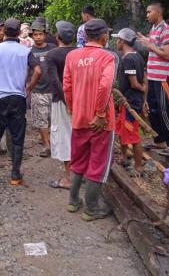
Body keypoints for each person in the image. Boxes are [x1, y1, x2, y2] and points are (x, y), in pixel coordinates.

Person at [63, 18, 118, 221]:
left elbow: (66, 86)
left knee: (78, 160)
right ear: (104, 36)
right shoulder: (107, 57)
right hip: (101, 122)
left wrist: (72, 108)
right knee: (98, 164)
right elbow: (105, 86)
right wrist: (101, 114)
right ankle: (92, 208)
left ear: (85, 36)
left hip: (79, 117)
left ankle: (73, 201)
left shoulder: (72, 56)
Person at [0, 18, 41, 185]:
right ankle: (15, 175)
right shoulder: (25, 51)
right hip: (17, 98)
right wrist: (28, 88)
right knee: (17, 135)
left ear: (5, 30)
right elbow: (37, 70)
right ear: (19, 32)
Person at [137, 2, 169, 157]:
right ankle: (159, 141)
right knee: (153, 110)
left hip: (163, 78)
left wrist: (149, 43)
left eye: (149, 12)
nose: (147, 15)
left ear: (157, 12)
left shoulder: (167, 30)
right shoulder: (153, 29)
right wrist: (146, 40)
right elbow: (155, 50)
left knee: (166, 111)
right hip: (153, 76)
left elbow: (167, 54)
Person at [46, 21, 76, 189]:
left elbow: (56, 82)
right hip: (81, 101)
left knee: (65, 137)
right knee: (79, 136)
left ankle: (68, 178)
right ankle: (80, 174)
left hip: (63, 101)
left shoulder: (52, 55)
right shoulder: (78, 53)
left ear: (57, 36)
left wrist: (67, 101)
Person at [112, 28, 146, 174]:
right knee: (122, 129)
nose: (116, 42)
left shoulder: (128, 59)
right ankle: (125, 157)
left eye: (118, 39)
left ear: (123, 41)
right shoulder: (137, 56)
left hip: (130, 102)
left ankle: (138, 167)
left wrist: (142, 89)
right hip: (129, 101)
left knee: (133, 135)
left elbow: (134, 83)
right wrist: (144, 94)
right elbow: (145, 78)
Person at [30, 19, 56, 157]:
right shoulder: (30, 51)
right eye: (35, 35)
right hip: (38, 90)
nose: (38, 37)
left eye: (40, 34)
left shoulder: (52, 48)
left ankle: (52, 141)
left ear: (45, 35)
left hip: (53, 89)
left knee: (53, 118)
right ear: (32, 36)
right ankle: (47, 145)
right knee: (41, 119)